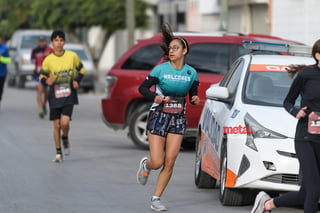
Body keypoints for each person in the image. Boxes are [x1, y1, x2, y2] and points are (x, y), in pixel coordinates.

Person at [136, 23, 200, 212]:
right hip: (159, 115)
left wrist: (195, 99)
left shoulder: (191, 73)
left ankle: (156, 198)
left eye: (176, 48)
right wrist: (154, 97)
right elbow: (142, 88)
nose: (171, 51)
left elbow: (193, 96)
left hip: (178, 118)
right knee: (158, 162)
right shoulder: (161, 70)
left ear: (184, 51)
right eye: (170, 48)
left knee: (170, 160)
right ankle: (146, 165)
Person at [251, 39, 320, 213]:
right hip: (306, 137)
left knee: (306, 192)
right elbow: (288, 101)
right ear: (318, 56)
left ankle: (267, 204)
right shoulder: (306, 76)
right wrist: (296, 112)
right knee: (314, 189)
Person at [39, 30, 86, 162]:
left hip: (69, 93)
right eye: (56, 40)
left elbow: (82, 70)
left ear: (64, 42)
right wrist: (45, 81)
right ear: (52, 43)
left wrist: (77, 80)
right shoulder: (48, 60)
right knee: (57, 124)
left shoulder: (72, 56)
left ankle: (65, 137)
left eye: (61, 40)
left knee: (65, 122)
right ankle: (58, 152)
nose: (59, 43)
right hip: (55, 94)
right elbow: (42, 75)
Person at [31, 36, 53, 118]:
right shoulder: (35, 50)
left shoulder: (50, 50)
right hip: (38, 74)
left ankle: (44, 105)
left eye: (43, 41)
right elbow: (32, 60)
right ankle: (40, 109)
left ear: (45, 42)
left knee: (47, 93)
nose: (41, 43)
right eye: (40, 41)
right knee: (39, 89)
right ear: (38, 42)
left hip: (48, 75)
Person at [0, 35, 11, 106]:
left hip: (2, 73)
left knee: (0, 89)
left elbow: (8, 60)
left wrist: (1, 58)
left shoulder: (4, 49)